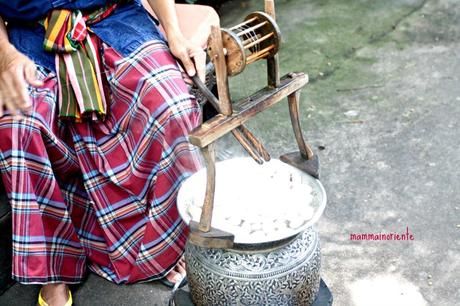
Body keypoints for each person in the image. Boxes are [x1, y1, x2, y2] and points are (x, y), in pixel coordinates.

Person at [0, 1, 206, 305]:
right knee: (18, 126)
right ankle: (52, 273)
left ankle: (167, 245)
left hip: (116, 23)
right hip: (31, 43)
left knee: (171, 106)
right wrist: (5, 58)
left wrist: (174, 34)